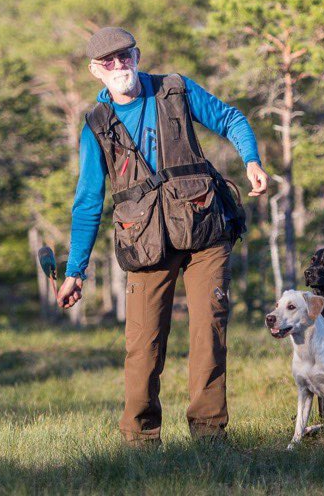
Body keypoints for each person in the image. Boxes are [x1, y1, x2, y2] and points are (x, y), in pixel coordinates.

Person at [56, 27, 269, 446]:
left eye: (125, 56)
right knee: (143, 345)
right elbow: (87, 201)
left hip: (205, 228)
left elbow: (232, 118)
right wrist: (75, 271)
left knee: (208, 331)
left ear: (137, 55)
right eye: (108, 62)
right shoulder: (96, 126)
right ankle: (140, 441)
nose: (119, 66)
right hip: (145, 243)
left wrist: (251, 160)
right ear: (95, 71)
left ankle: (208, 438)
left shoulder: (175, 89)